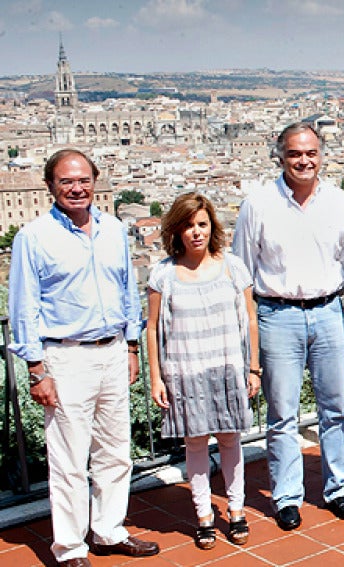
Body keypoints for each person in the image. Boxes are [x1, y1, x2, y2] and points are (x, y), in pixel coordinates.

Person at [8, 149, 159, 567]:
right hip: (65, 357)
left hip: (112, 351)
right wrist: (37, 370)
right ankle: (70, 547)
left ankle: (109, 530)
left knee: (115, 451)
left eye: (83, 180)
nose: (77, 188)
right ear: (50, 186)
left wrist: (131, 347)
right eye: (66, 182)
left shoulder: (113, 229)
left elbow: (128, 290)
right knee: (70, 459)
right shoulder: (33, 237)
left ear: (95, 181)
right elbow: (24, 308)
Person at [232, 122, 344, 530]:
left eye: (311, 153)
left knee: (335, 408)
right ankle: (287, 496)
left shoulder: (340, 204)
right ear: (280, 156)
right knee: (282, 412)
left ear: (322, 155)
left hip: (327, 311)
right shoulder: (258, 204)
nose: (304, 161)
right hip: (277, 314)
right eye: (294, 154)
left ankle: (338, 489)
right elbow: (243, 272)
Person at [147, 193, 261, 549]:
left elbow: (251, 319)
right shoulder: (162, 274)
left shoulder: (232, 266)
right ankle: (203, 515)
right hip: (186, 371)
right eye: (188, 226)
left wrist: (253, 368)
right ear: (176, 231)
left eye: (202, 224)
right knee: (194, 445)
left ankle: (237, 510)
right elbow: (151, 328)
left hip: (227, 367)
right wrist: (156, 377)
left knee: (230, 441)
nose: (195, 232)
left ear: (212, 227)